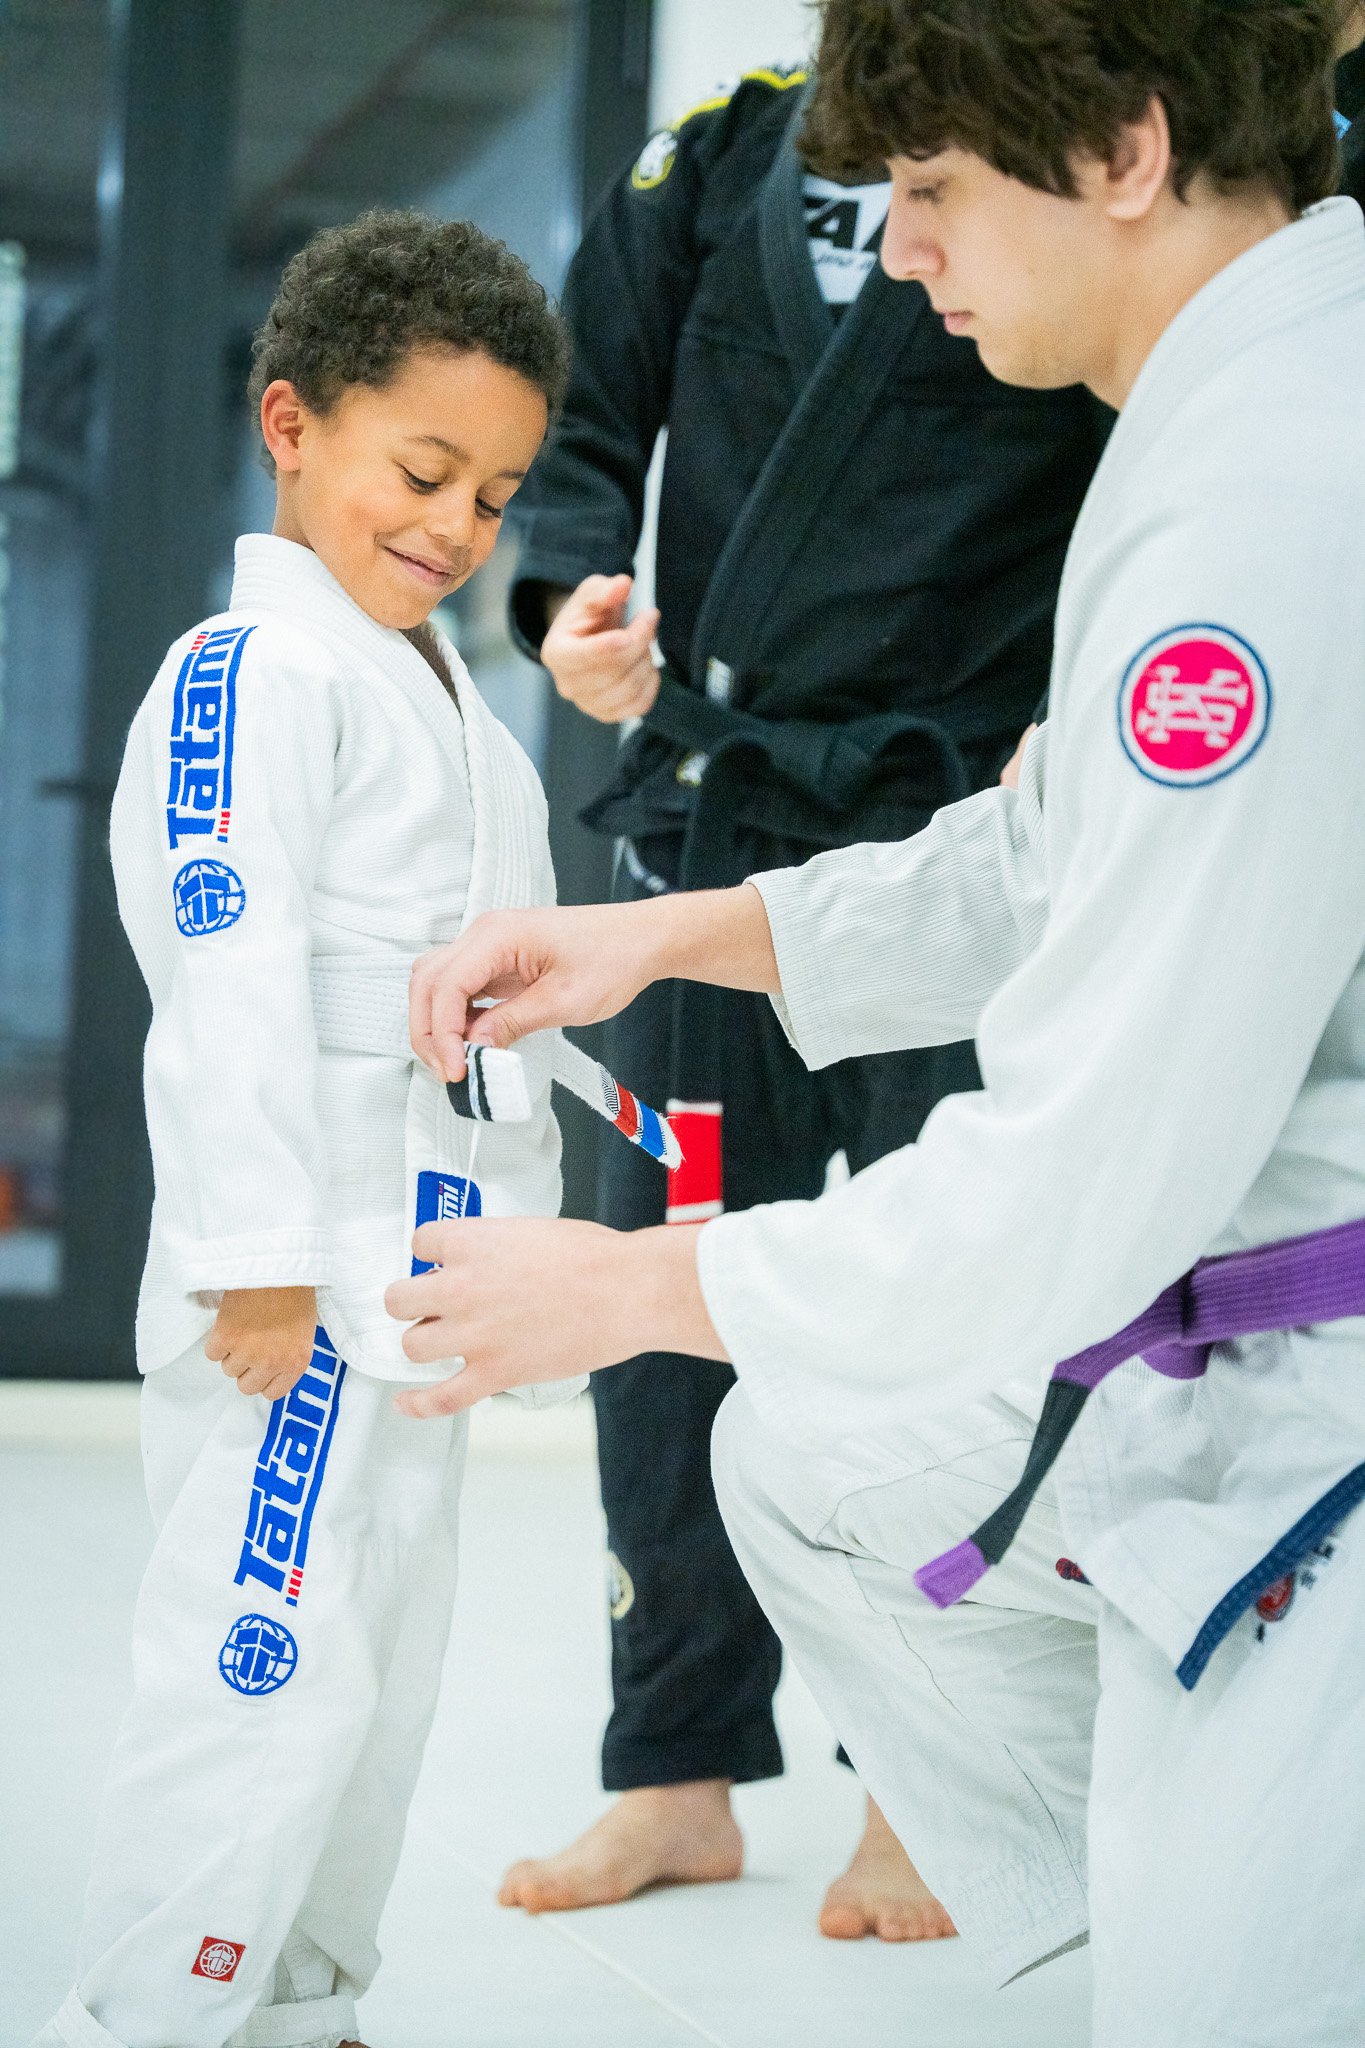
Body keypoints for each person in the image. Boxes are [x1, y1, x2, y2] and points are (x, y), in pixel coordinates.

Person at [391, 1, 1365, 2039]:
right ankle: (1154, 1859)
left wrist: (626, 1277)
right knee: (813, 1457)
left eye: (930, 194)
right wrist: (675, 937)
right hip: (818, 867)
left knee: (1225, 1993)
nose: (899, 250)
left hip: (1309, 1387)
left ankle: (1232, 1863)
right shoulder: (1214, 407)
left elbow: (1073, 1178)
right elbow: (1043, 862)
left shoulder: (1263, 502)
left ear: (1118, 150)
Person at [499, 53, 1108, 1935]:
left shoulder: (1056, 131)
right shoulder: (732, 146)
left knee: (939, 1312)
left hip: (956, 803)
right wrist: (568, 599)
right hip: (717, 800)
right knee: (650, 1283)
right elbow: (587, 396)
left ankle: (911, 1793)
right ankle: (668, 1770)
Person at [34, 212, 576, 2048]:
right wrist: (251, 1257)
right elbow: (225, 972)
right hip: (307, 1250)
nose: (453, 528)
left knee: (383, 1660)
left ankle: (301, 2002)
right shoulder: (247, 676)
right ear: (292, 423)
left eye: (494, 496)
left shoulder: (447, 702)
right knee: (260, 1653)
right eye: (420, 470)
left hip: (417, 1243)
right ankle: (170, 2014)